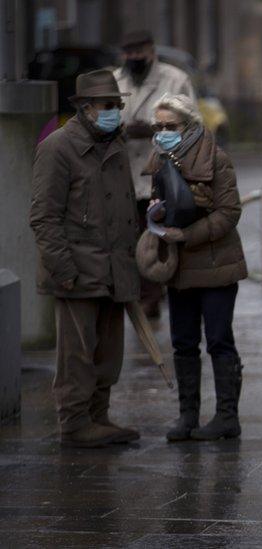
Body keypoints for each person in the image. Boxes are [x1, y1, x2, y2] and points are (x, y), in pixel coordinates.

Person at [28, 69, 141, 448]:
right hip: (78, 270)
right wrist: (65, 270)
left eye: (117, 105)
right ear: (85, 107)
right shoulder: (59, 147)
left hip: (113, 268)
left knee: (109, 352)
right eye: (106, 105)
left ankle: (98, 416)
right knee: (76, 355)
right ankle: (75, 422)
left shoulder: (115, 144)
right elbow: (44, 215)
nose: (114, 111)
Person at [142, 94, 248, 442]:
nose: (162, 133)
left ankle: (226, 417)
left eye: (169, 126)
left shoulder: (216, 158)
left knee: (219, 340)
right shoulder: (159, 159)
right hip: (179, 266)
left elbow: (229, 213)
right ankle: (187, 416)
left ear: (188, 126)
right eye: (157, 126)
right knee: (183, 342)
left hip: (217, 264)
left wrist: (186, 234)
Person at [113, 30, 196, 318]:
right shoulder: (115, 80)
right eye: (128, 53)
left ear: (151, 51)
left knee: (162, 233)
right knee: (134, 236)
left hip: (164, 173)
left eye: (139, 52)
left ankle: (160, 292)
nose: (134, 58)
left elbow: (191, 124)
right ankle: (146, 294)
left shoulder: (175, 79)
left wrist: (152, 129)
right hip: (125, 175)